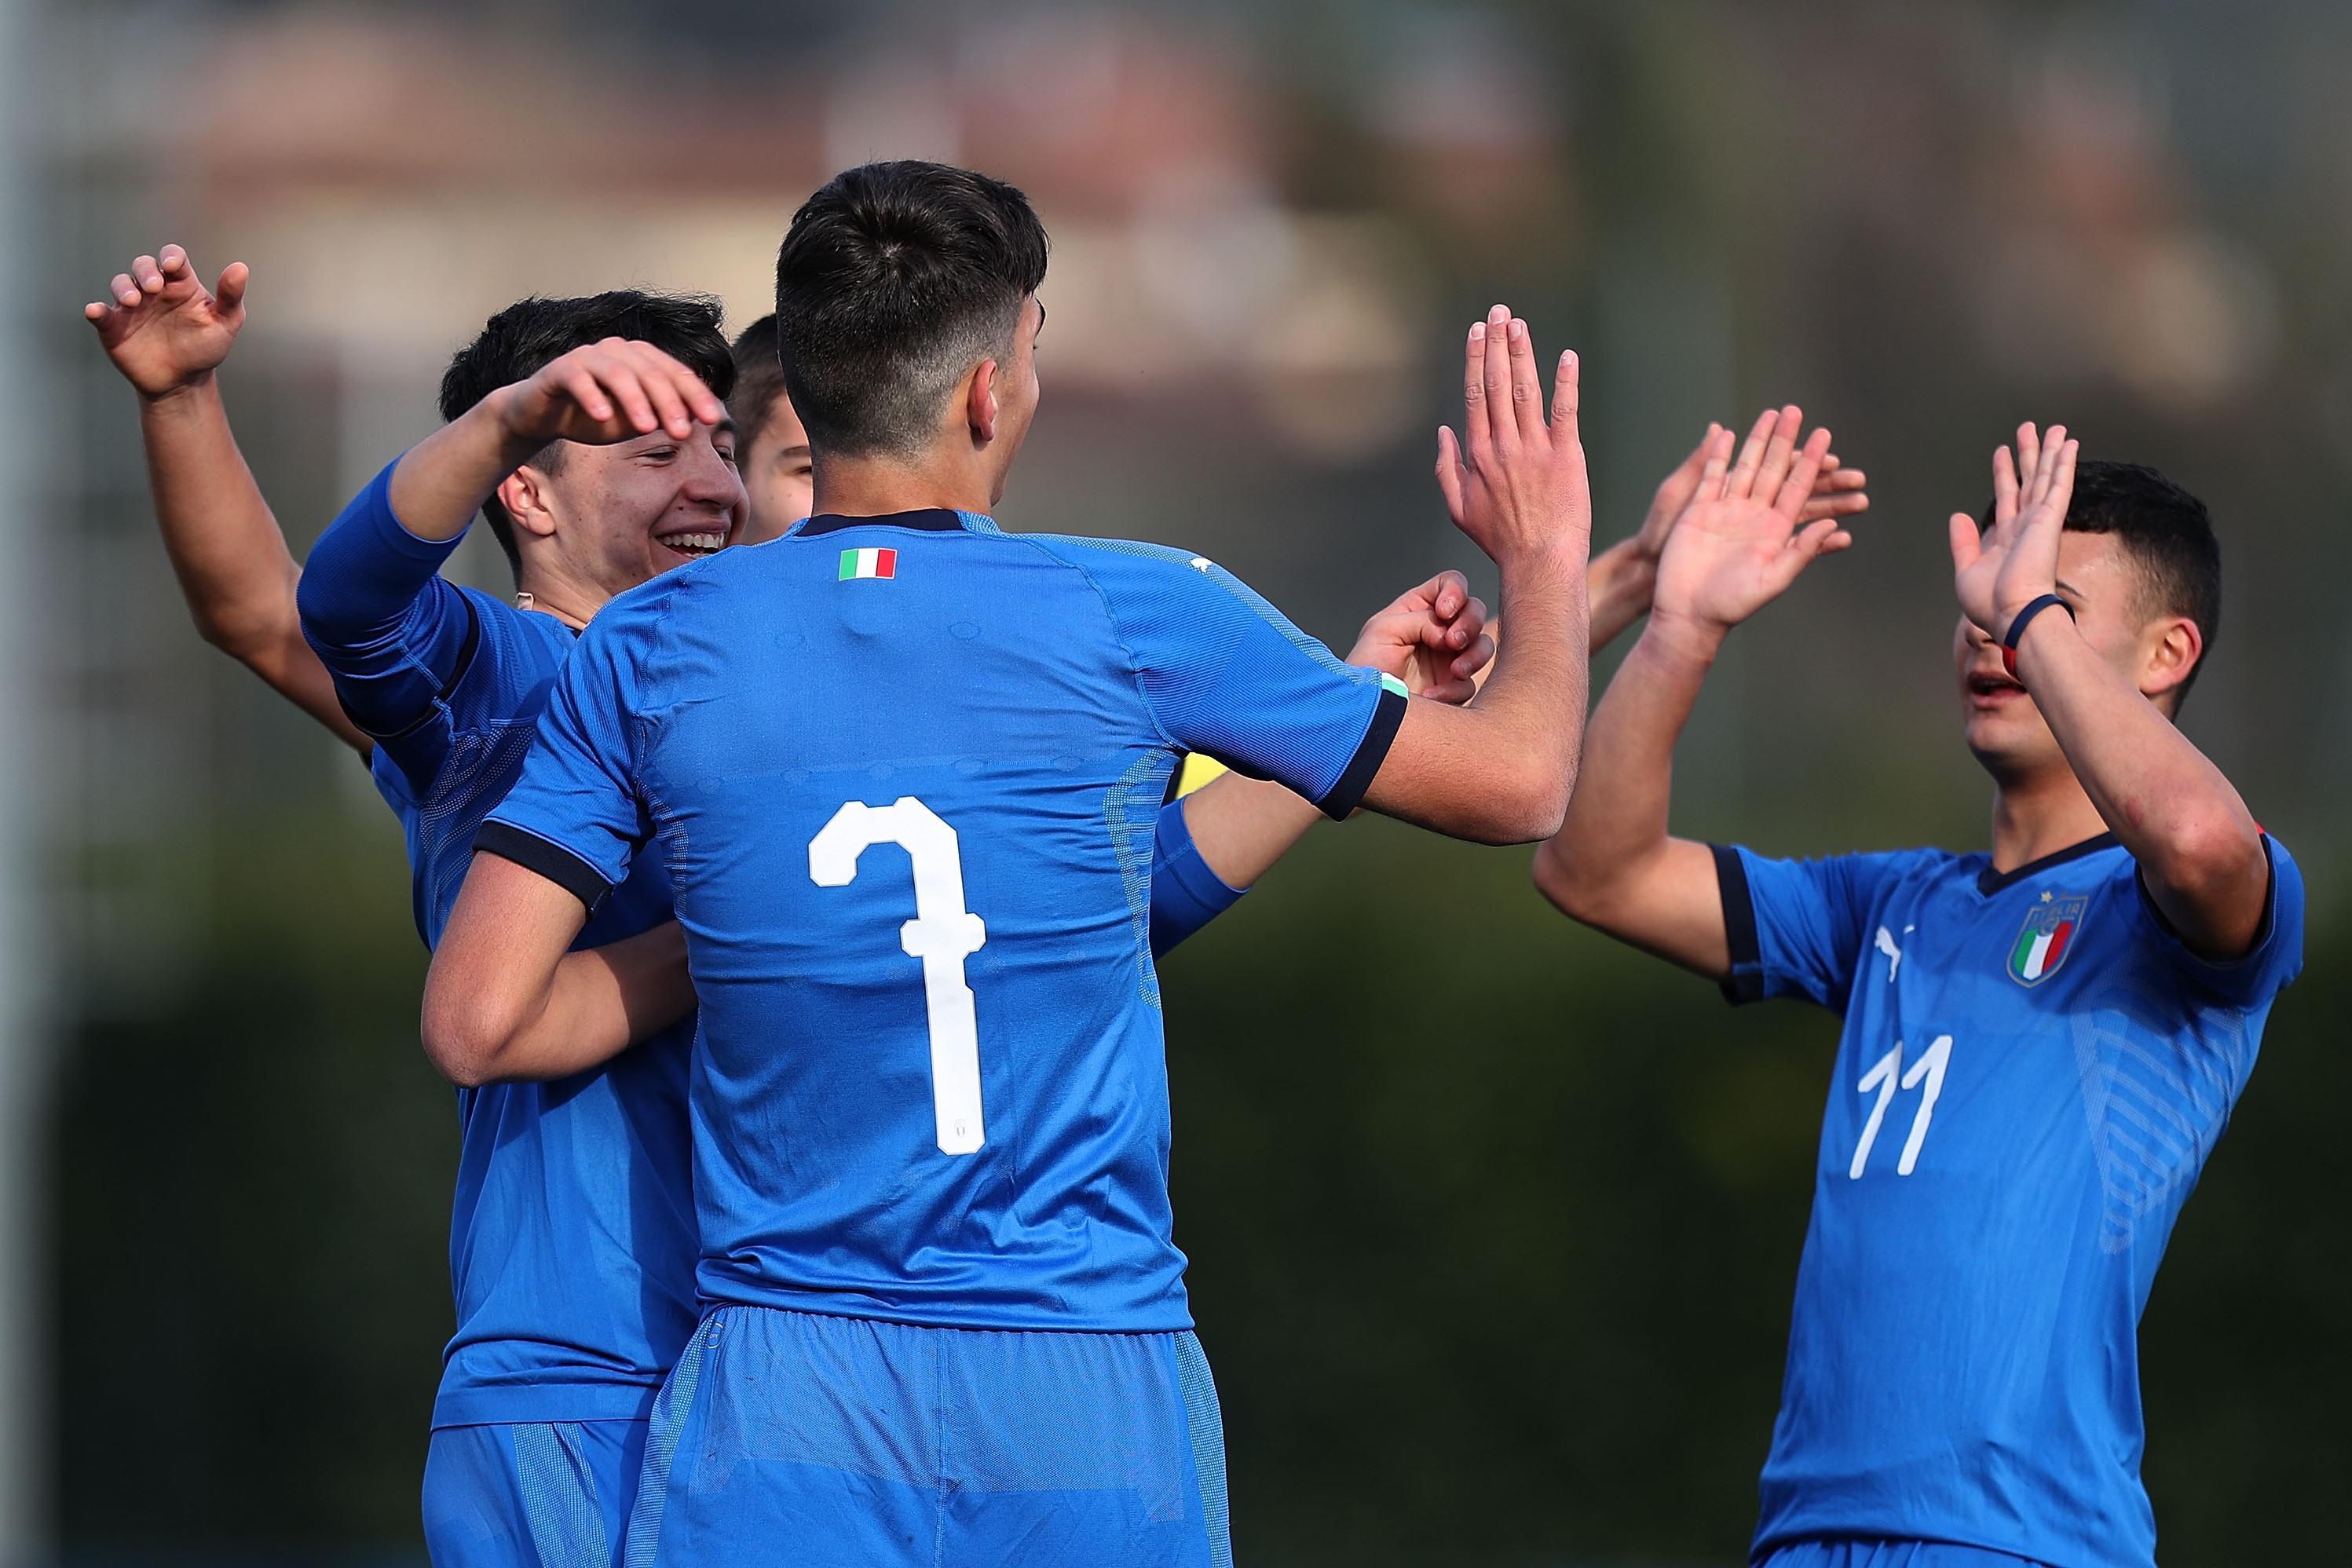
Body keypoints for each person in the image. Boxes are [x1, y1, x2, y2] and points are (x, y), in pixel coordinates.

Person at [82, 243, 1505, 1564]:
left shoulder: (764, 694)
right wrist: (205, 401)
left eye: (727, 446)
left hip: (796, 1369)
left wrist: (1351, 719)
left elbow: (1103, 915)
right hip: (591, 1365)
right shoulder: (504, 681)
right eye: (656, 450)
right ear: (528, 487)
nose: (711, 485)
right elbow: (301, 612)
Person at [416, 158, 1595, 1566]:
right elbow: (1523, 781)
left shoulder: (651, 651)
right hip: (1083, 1381)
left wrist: (742, 934)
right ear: (987, 392)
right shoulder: (1134, 606)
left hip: (787, 1393)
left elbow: (479, 1019)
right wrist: (1548, 550)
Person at [1531, 418, 2303, 1568]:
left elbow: (2196, 835)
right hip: (1807, 1534)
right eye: (1983, 594)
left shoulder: (2184, 910)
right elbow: (1594, 869)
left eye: (2047, 599)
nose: (1992, 622)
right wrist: (1682, 628)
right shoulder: (1892, 905)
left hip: (2021, 1541)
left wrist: (2025, 614)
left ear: (2166, 655)